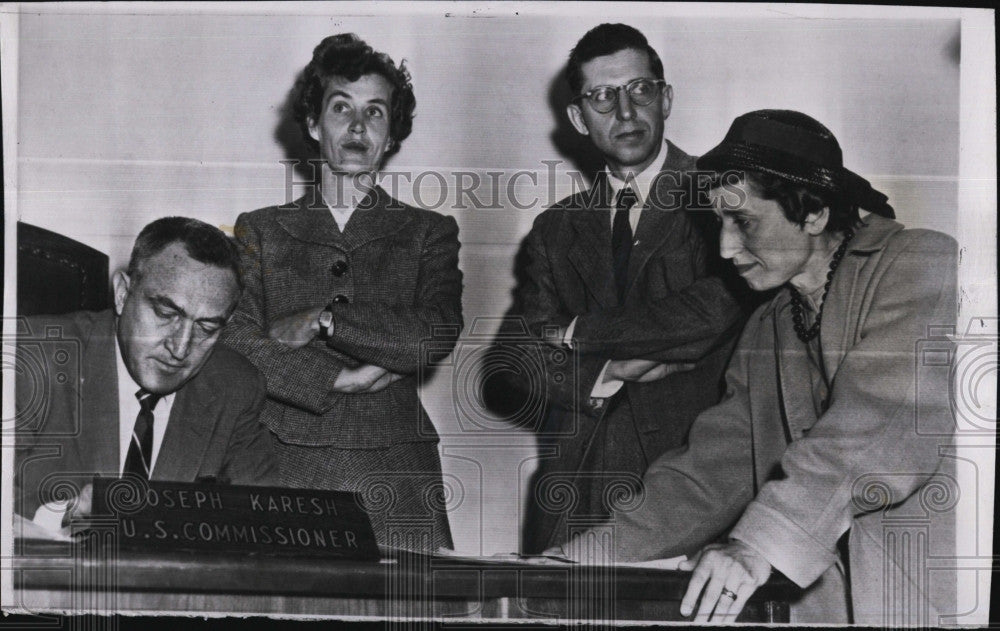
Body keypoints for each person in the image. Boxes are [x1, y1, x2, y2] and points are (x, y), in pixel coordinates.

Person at [557, 110, 958, 624]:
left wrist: (758, 545)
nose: (725, 248)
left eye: (743, 221)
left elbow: (881, 420)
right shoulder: (770, 321)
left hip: (927, 594)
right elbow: (710, 472)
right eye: (719, 223)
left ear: (812, 213)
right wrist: (579, 559)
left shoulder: (921, 262)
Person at [508, 23, 749, 554]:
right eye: (602, 96)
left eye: (639, 90)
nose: (624, 112)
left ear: (665, 98)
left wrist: (577, 333)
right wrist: (608, 370)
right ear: (577, 117)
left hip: (698, 494)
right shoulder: (555, 228)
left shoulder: (726, 196)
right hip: (576, 493)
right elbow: (516, 364)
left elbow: (713, 311)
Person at [220, 34, 462, 551]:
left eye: (376, 112)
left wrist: (323, 322)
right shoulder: (258, 230)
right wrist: (338, 378)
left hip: (397, 474)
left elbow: (433, 335)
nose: (358, 127)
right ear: (313, 124)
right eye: (341, 108)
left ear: (392, 134)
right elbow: (236, 339)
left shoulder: (429, 231)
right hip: (280, 460)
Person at [14, 217, 278, 534]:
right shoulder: (32, 357)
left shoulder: (234, 387)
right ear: (123, 293)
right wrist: (68, 511)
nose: (180, 348)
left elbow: (265, 521)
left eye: (207, 328)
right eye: (166, 314)